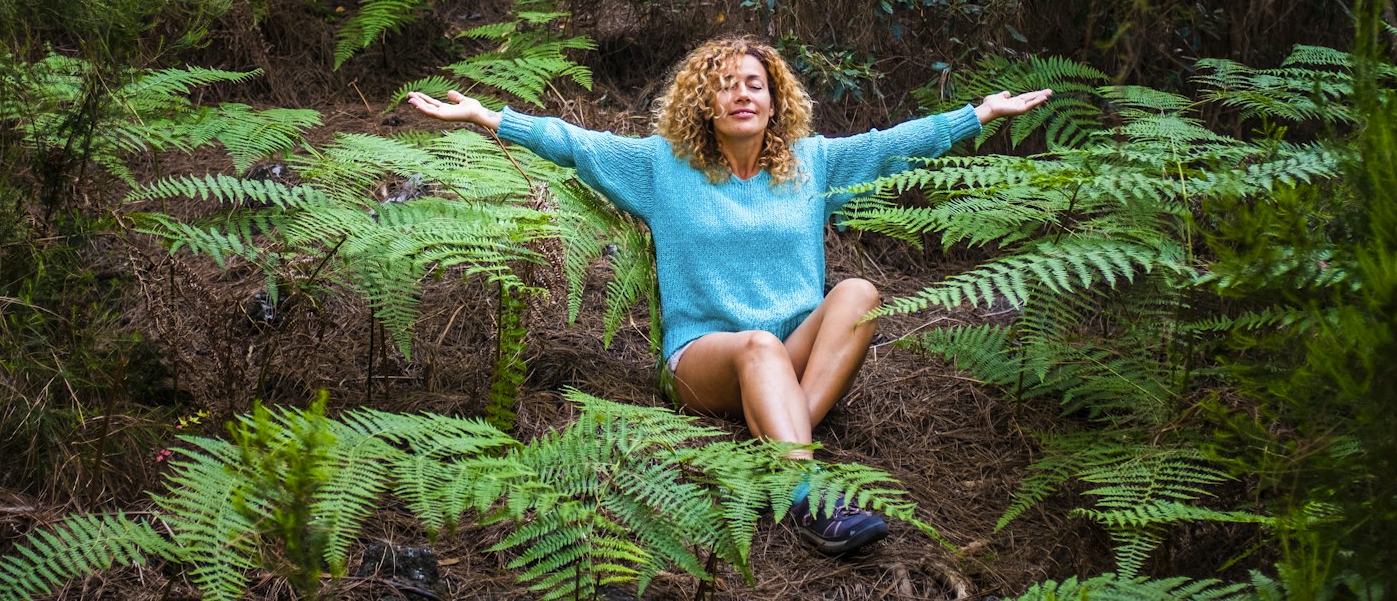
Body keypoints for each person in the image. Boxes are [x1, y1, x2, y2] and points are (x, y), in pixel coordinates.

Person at [406, 34, 1052, 557]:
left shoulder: (810, 162)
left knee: (858, 291)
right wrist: (491, 117)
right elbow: (576, 145)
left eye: (754, 83)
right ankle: (805, 492)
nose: (740, 92)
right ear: (703, 102)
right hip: (704, 356)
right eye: (724, 83)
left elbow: (888, 147)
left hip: (789, 351)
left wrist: (979, 114)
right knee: (758, 347)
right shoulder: (662, 167)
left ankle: (777, 427)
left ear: (775, 102)